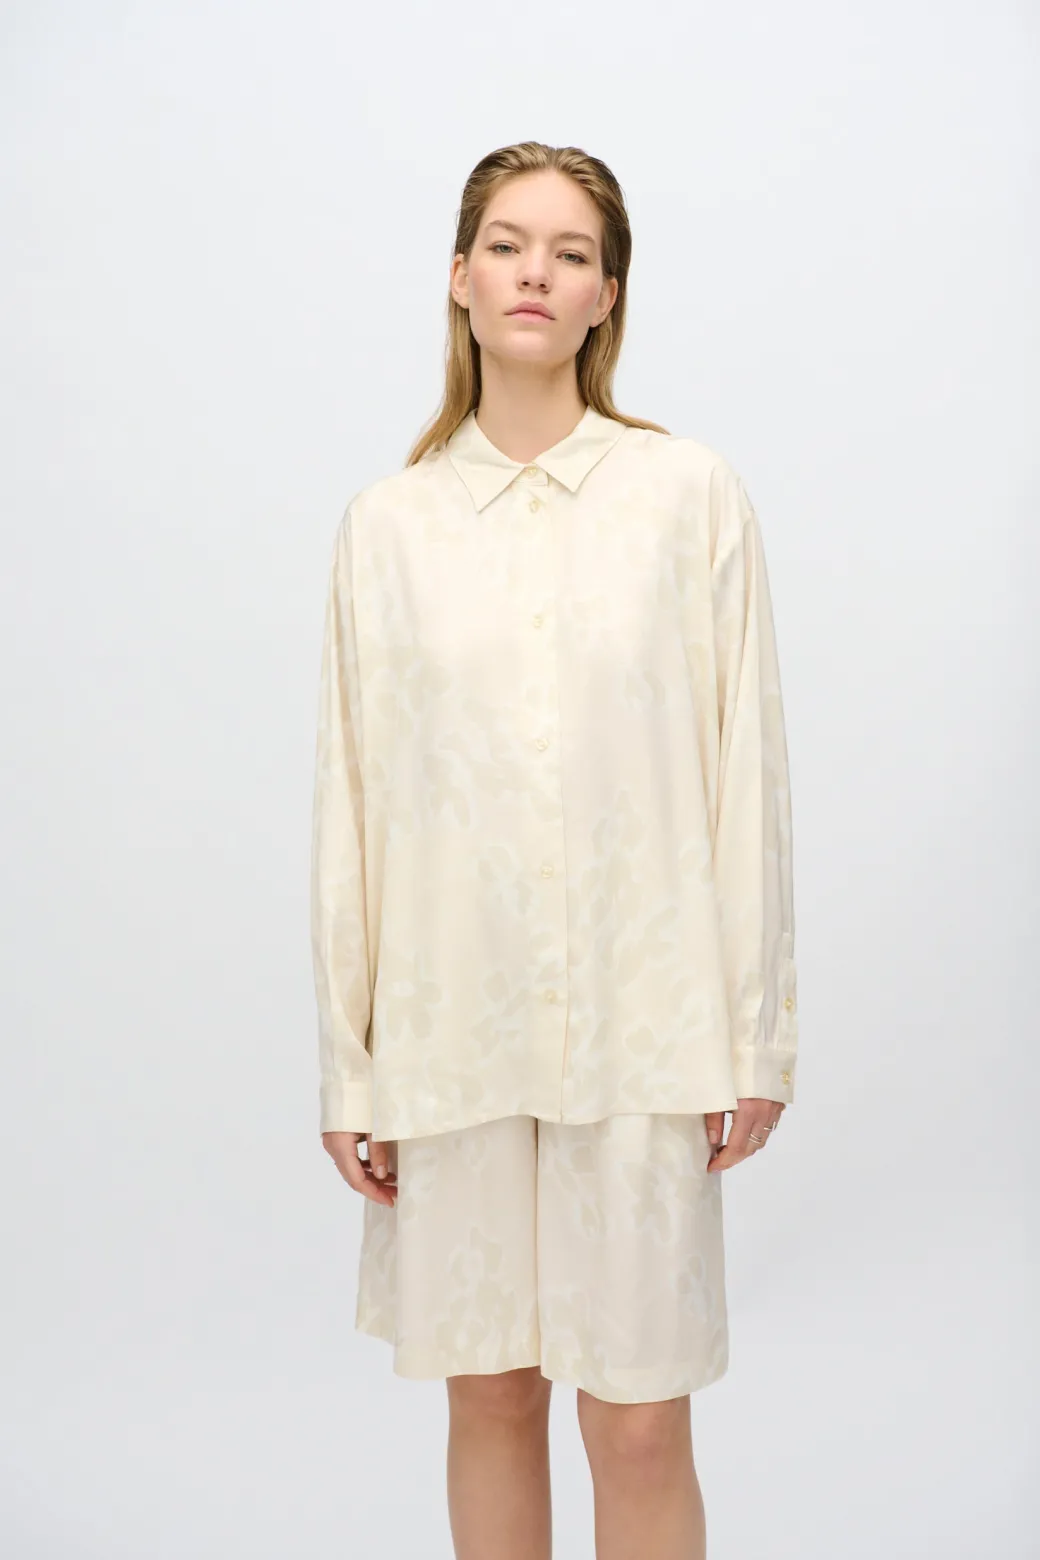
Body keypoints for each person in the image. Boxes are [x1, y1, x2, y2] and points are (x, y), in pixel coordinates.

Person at [309, 139, 799, 1560]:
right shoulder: (387, 529)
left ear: (606, 297)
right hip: (451, 1026)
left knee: (638, 1418)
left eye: (572, 252)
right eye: (509, 245)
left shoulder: (687, 496)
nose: (537, 272)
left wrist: (755, 1036)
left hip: (649, 1026)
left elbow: (745, 776)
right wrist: (352, 1060)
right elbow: (353, 802)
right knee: (492, 1395)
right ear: (461, 280)